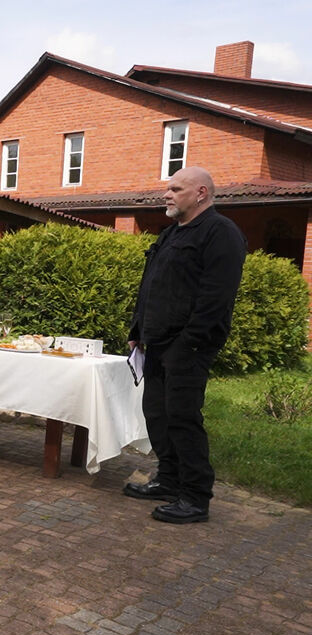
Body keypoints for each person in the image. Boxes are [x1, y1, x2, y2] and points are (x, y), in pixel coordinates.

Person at [125, 166, 246, 524]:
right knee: (158, 416)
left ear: (201, 194)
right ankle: (169, 479)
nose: (167, 195)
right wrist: (138, 330)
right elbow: (151, 285)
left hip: (188, 347)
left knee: (182, 419)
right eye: (168, 189)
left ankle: (195, 498)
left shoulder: (220, 233)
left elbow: (216, 298)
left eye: (176, 189)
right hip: (155, 344)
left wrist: (188, 344)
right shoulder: (172, 234)